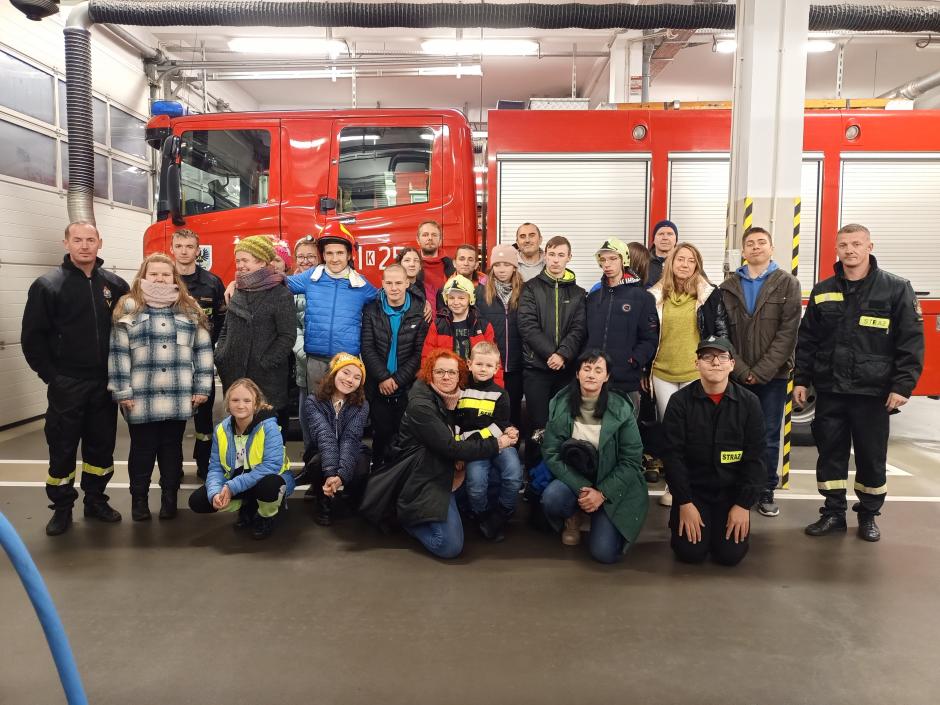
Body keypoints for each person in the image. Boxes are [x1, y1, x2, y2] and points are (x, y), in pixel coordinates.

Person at [795, 224, 924, 542]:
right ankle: (833, 513)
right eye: (843, 245)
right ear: (836, 249)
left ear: (870, 247)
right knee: (830, 453)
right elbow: (807, 340)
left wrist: (902, 385)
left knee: (871, 456)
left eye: (856, 244)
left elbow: (910, 342)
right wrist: (802, 380)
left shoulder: (896, 288)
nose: (849, 250)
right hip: (831, 390)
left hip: (872, 392)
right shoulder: (823, 290)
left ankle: (868, 515)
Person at [22, 222, 129, 536]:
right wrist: (52, 377)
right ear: (66, 243)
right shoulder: (48, 285)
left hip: (104, 383)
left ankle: (95, 501)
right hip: (67, 383)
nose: (84, 245)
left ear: (100, 243)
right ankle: (62, 508)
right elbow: (32, 338)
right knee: (63, 447)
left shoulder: (115, 285)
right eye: (78, 240)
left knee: (101, 448)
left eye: (90, 240)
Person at [362, 349, 517, 559]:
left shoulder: (452, 397)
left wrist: (507, 429)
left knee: (493, 476)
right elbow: (451, 447)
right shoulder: (421, 405)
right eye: (440, 371)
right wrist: (497, 443)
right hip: (423, 474)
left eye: (452, 372)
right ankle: (405, 519)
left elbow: (476, 423)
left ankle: (458, 510)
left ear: (460, 375)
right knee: (449, 546)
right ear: (430, 373)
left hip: (444, 467)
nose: (446, 377)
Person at [109, 253, 214, 521]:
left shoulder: (189, 308)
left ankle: (169, 499)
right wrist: (122, 391)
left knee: (171, 450)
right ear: (143, 276)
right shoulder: (128, 307)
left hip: (179, 395)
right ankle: (139, 501)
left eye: (166, 274)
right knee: (142, 451)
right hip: (140, 396)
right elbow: (119, 353)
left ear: (174, 277)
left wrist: (202, 387)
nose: (160, 278)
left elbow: (203, 351)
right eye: (154, 273)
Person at [720, 226, 801, 518]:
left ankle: (765, 489)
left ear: (771, 248)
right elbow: (723, 333)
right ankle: (737, 488)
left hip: (773, 377)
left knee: (767, 435)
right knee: (734, 434)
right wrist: (741, 370)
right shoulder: (728, 286)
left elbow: (788, 333)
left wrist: (762, 371)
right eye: (750, 243)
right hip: (736, 375)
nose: (756, 247)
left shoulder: (788, 283)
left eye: (761, 242)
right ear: (743, 251)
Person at [663, 336, 766, 566]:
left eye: (722, 357)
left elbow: (756, 459)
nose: (715, 362)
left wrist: (743, 505)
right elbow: (672, 456)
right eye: (707, 357)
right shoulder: (679, 402)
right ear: (696, 363)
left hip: (731, 494)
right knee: (690, 553)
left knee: (730, 556)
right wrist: (684, 502)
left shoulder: (750, 403)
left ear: (732, 364)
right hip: (694, 493)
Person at [540, 350, 648, 564]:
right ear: (577, 373)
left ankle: (599, 510)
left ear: (607, 377)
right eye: (587, 369)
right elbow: (551, 452)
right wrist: (583, 488)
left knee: (604, 554)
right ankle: (573, 516)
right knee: (552, 498)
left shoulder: (621, 408)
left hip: (611, 481)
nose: (591, 374)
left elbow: (631, 459)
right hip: (576, 478)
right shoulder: (560, 404)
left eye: (598, 370)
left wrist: (602, 493)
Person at [648, 242, 728, 506]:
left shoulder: (708, 295)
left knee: (695, 431)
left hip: (695, 373)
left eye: (691, 260)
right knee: (671, 432)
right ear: (671, 263)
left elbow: (720, 331)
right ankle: (674, 485)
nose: (684, 264)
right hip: (662, 373)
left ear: (697, 266)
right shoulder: (654, 295)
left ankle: (695, 484)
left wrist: (717, 365)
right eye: (680, 259)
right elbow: (647, 335)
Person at [188, 378, 296, 540]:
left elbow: (271, 466)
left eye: (247, 400)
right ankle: (247, 505)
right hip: (240, 482)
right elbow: (216, 468)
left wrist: (231, 487)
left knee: (270, 485)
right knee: (198, 501)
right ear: (228, 404)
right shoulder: (221, 430)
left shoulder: (269, 427)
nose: (240, 405)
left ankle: (266, 516)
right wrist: (215, 493)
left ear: (256, 404)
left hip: (270, 480)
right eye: (235, 400)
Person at [285, 221, 378, 399]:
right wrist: (237, 282)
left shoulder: (361, 284)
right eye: (329, 253)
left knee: (346, 409)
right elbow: (277, 283)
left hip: (347, 362)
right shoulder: (310, 277)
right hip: (315, 361)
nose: (334, 259)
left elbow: (388, 298)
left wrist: (420, 300)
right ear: (323, 255)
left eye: (340, 253)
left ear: (349, 254)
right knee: (316, 408)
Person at [517, 235, 587, 466]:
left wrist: (563, 354)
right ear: (545, 256)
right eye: (552, 254)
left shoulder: (578, 293)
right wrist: (551, 354)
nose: (556, 260)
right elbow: (527, 325)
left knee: (562, 424)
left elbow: (579, 328)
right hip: (536, 369)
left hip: (565, 371)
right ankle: (534, 473)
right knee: (538, 425)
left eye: (561, 255)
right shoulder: (530, 288)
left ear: (569, 257)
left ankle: (561, 471)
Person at [214, 236, 295, 425]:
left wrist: (265, 362)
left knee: (265, 430)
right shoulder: (238, 289)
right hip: (234, 373)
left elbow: (287, 336)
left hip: (266, 378)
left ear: (262, 262)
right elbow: (226, 327)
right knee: (239, 431)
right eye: (238, 260)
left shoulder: (281, 294)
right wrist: (221, 355)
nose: (240, 265)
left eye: (245, 260)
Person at [360, 263, 430, 467]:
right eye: (389, 283)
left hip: (407, 387)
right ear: (382, 284)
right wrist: (383, 377)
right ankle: (377, 475)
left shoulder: (419, 311)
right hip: (378, 387)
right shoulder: (371, 309)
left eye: (398, 283)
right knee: (381, 435)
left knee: (404, 438)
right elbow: (367, 347)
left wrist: (397, 380)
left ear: (407, 283)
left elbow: (419, 353)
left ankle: (401, 477)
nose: (394, 288)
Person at [171, 228, 226, 480]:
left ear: (197, 250)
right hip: (171, 362)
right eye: (179, 246)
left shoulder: (212, 283)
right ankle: (173, 467)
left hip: (202, 361)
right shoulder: (164, 280)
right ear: (172, 249)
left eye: (189, 246)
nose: (184, 251)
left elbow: (223, 321)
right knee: (173, 420)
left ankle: (205, 465)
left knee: (204, 421)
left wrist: (215, 351)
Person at [455, 342, 523, 542]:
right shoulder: (460, 392)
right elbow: (457, 424)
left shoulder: (501, 394)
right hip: (474, 449)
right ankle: (482, 516)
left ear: (496, 368)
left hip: (500, 443)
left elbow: (500, 425)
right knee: (476, 484)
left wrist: (472, 437)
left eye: (488, 365)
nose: (483, 369)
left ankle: (502, 513)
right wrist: (462, 446)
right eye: (479, 364)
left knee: (513, 474)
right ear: (469, 364)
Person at [585, 238, 659, 411]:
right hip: (593, 380)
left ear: (624, 260)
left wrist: (634, 361)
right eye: (603, 260)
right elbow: (584, 335)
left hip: (626, 381)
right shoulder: (593, 298)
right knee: (591, 427)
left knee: (626, 427)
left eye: (613, 259)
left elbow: (649, 339)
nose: (607, 264)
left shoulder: (643, 298)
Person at [303, 353, 372, 525]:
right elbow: (324, 436)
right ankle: (323, 501)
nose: (350, 380)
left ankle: (350, 497)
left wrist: (340, 476)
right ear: (334, 373)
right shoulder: (313, 401)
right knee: (317, 463)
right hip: (321, 449)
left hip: (351, 448)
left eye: (357, 377)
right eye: (346, 372)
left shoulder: (362, 405)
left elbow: (350, 438)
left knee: (361, 465)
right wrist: (330, 473)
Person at [475, 244, 524, 428]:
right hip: (490, 364)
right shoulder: (480, 292)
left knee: (514, 408)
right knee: (489, 408)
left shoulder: (526, 292)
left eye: (506, 264)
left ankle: (513, 441)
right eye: (497, 264)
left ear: (514, 267)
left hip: (517, 363)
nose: (501, 269)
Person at [422, 275, 503, 385]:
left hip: (476, 384)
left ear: (470, 299)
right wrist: (428, 383)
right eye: (451, 298)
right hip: (446, 382)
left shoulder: (483, 326)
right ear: (446, 299)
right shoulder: (438, 325)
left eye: (461, 298)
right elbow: (427, 357)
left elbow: (494, 359)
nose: (456, 302)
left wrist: (498, 388)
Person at [291, 236, 320, 447]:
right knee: (306, 417)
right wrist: (305, 353)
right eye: (301, 256)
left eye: (311, 256)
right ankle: (311, 456)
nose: (306, 261)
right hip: (304, 362)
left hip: (328, 361)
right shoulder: (289, 286)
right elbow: (291, 327)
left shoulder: (326, 282)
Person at [416, 220, 455, 315]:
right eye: (425, 235)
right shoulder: (406, 266)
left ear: (440, 240)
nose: (430, 238)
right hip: (418, 320)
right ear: (418, 240)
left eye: (434, 235)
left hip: (446, 320)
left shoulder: (453, 266)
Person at [396, 246, 434, 323]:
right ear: (399, 265)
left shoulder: (428, 290)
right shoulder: (391, 289)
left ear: (420, 266)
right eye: (407, 260)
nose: (412, 264)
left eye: (416, 260)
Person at [647, 219, 678, 287]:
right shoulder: (643, 262)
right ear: (653, 240)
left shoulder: (685, 262)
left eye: (670, 234)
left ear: (676, 240)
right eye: (661, 234)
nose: (665, 238)